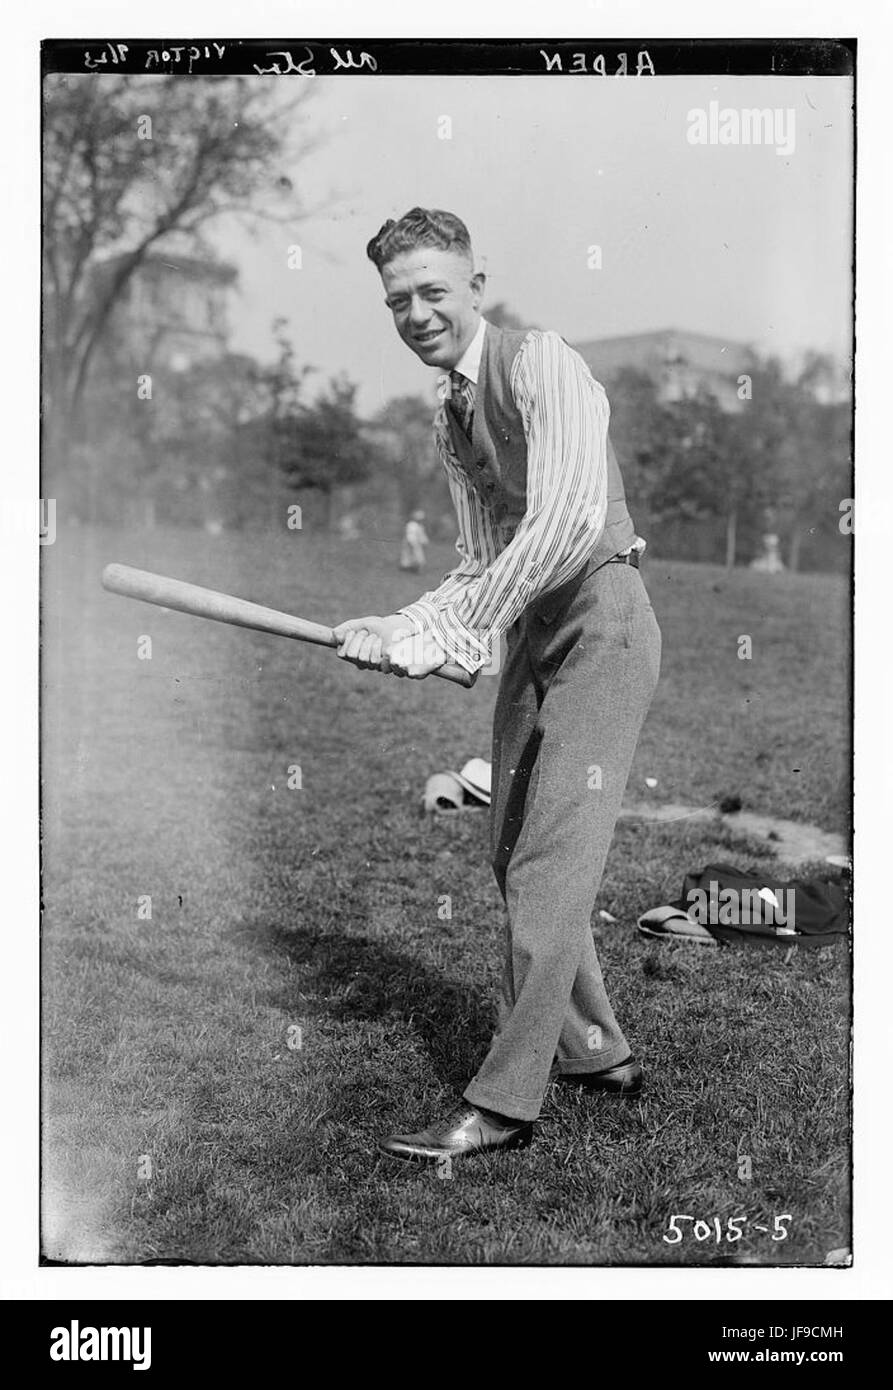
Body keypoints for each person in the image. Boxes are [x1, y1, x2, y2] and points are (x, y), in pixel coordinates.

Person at [333, 207, 661, 1162]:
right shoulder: (448, 414)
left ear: (476, 285)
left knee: (550, 865)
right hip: (531, 630)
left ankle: (505, 1104)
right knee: (507, 847)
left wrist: (453, 633)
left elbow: (560, 525)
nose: (417, 313)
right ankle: (597, 1053)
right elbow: (482, 559)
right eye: (398, 300)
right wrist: (401, 627)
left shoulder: (543, 361)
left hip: (604, 619)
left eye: (434, 291)